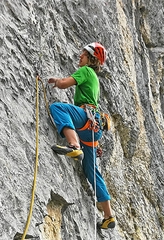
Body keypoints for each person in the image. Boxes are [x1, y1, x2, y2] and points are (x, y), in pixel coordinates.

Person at [48, 42, 116, 229]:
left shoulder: (86, 71)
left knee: (57, 107)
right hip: (94, 128)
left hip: (86, 119)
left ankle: (73, 145)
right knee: (91, 171)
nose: (80, 57)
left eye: (83, 55)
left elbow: (64, 84)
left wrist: (56, 81)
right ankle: (109, 216)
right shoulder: (94, 78)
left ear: (91, 59)